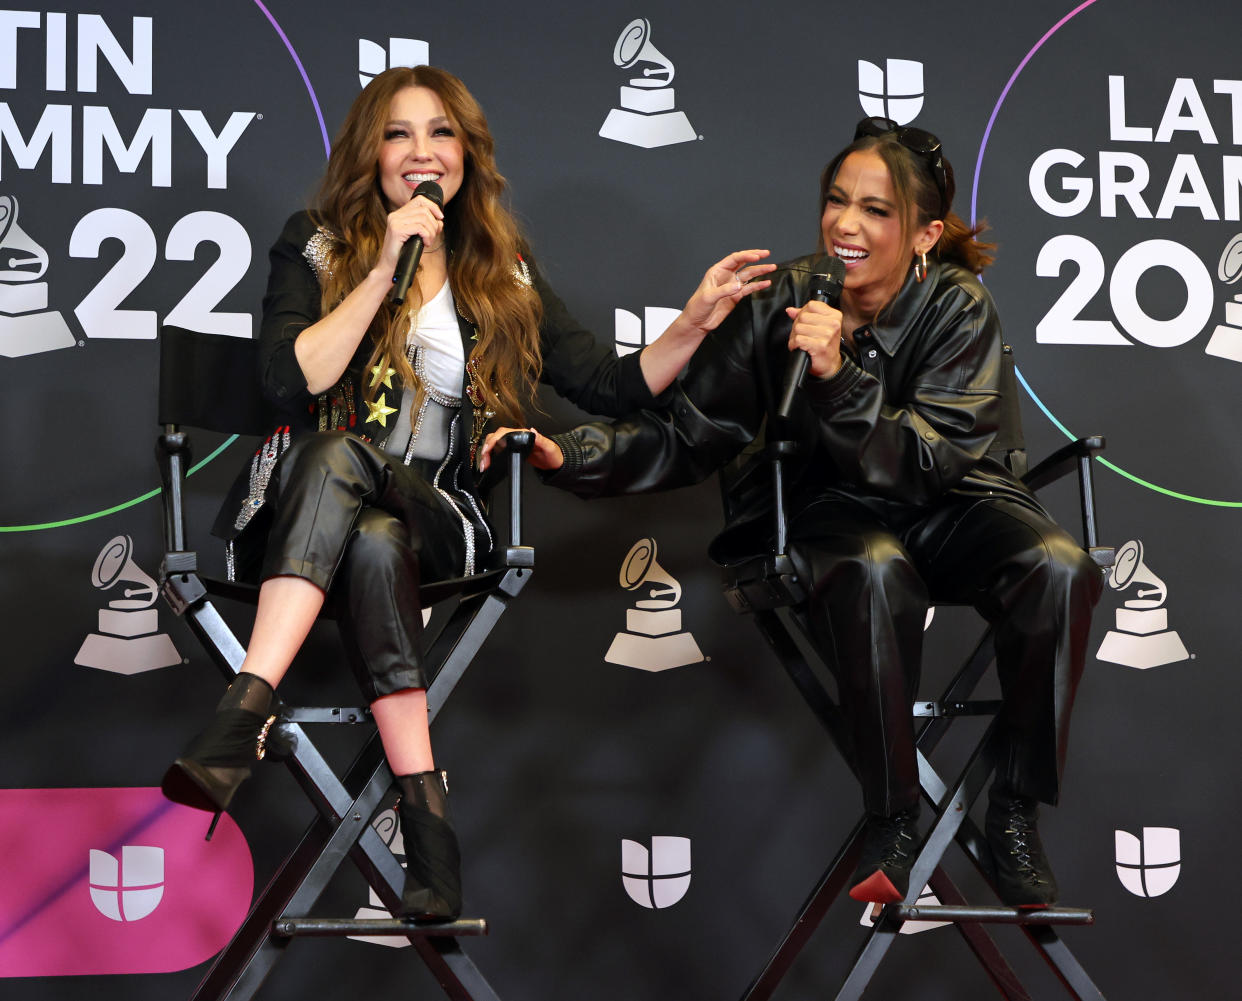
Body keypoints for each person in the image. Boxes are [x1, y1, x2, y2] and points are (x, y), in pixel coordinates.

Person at [159, 65, 774, 922]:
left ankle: (245, 707)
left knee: (369, 496)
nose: (422, 152)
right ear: (370, 155)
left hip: (440, 514)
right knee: (358, 507)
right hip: (302, 514)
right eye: (400, 134)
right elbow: (289, 385)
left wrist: (694, 323)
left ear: (466, 153)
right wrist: (380, 272)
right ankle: (428, 823)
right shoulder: (318, 242)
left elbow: (606, 380)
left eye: (440, 133)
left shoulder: (501, 264)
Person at [483, 117, 1103, 909]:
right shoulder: (782, 300)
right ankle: (894, 816)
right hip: (830, 511)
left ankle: (1013, 810)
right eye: (837, 201)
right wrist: (570, 455)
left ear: (925, 233)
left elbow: (925, 464)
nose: (846, 223)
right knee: (874, 568)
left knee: (1058, 564)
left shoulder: (959, 307)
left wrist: (838, 374)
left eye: (876, 210)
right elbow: (689, 435)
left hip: (950, 501)